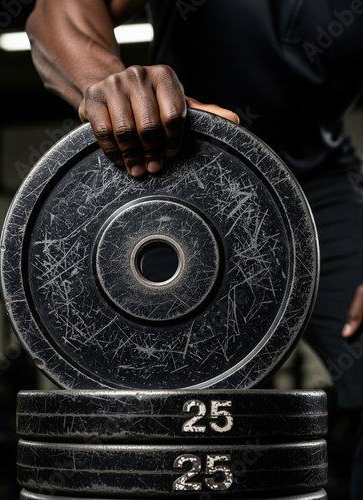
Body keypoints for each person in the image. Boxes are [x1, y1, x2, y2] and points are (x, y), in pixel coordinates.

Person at [26, 0, 363, 496]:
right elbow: (58, 12)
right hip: (182, 170)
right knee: (157, 405)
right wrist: (108, 84)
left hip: (319, 185)